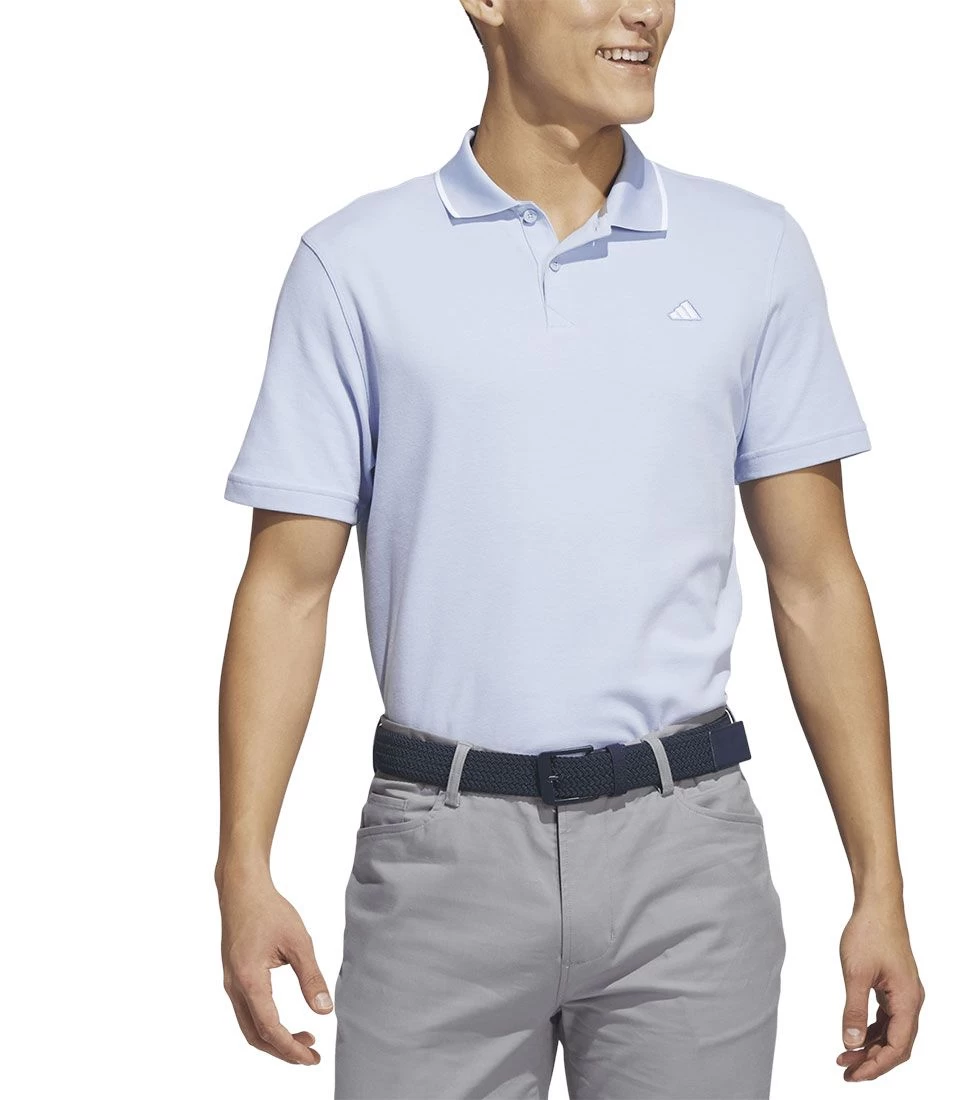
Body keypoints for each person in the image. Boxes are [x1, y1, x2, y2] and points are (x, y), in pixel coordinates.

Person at [215, 1, 924, 1097]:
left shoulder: (754, 251)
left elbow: (816, 581)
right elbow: (286, 589)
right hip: (438, 858)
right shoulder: (352, 264)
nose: (647, 12)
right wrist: (244, 867)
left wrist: (879, 884)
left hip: (687, 864)